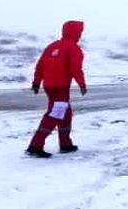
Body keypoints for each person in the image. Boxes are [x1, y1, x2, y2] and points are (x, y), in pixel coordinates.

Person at [27, 20, 87, 158]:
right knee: (55, 114)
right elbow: (75, 69)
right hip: (60, 88)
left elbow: (40, 66)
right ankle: (35, 146)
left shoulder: (52, 46)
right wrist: (82, 84)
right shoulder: (73, 48)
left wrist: (36, 82)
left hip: (49, 86)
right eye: (80, 32)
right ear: (75, 33)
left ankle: (65, 144)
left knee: (65, 113)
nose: (80, 35)